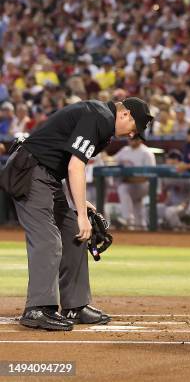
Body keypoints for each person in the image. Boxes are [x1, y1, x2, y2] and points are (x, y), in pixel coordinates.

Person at [0, 97, 152, 331]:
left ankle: (75, 306)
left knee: (73, 232)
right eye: (135, 128)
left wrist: (81, 203)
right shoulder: (100, 117)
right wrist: (81, 213)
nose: (133, 135)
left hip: (47, 175)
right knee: (49, 240)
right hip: (29, 171)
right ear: (125, 114)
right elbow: (75, 166)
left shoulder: (103, 121)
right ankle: (38, 308)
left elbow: (68, 164)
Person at [113, 137, 156, 229]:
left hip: (143, 185)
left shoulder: (146, 153)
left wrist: (130, 180)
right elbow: (111, 160)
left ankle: (128, 219)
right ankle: (140, 227)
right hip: (130, 183)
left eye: (134, 139)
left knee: (123, 188)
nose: (131, 140)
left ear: (140, 139)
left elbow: (149, 176)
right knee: (137, 206)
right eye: (130, 138)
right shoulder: (125, 150)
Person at [159, 150, 190, 229]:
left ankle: (181, 229)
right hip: (171, 205)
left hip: (183, 206)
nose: (167, 161)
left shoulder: (187, 175)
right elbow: (164, 192)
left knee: (170, 212)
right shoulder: (167, 174)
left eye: (170, 159)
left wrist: (186, 203)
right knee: (148, 210)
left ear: (176, 160)